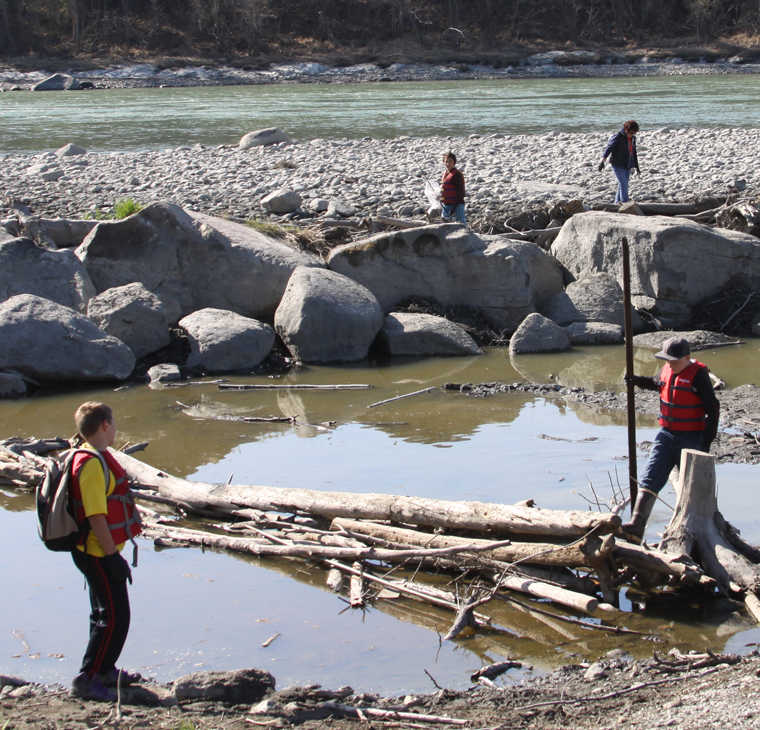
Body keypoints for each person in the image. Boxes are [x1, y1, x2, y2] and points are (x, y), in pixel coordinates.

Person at [69, 402, 143, 701]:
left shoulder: (93, 457)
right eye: (113, 423)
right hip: (97, 552)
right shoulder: (91, 465)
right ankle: (87, 678)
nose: (115, 428)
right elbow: (96, 516)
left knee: (103, 613)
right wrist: (113, 557)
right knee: (114, 617)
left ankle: (105, 670)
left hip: (97, 550)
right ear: (103, 426)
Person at [622, 337, 719, 543]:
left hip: (691, 437)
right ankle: (636, 525)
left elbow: (713, 409)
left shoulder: (698, 375)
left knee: (692, 487)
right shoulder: (667, 370)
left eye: (674, 360)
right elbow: (656, 383)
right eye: (667, 360)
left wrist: (705, 444)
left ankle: (696, 533)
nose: (670, 364)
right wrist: (636, 380)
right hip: (666, 434)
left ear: (687, 358)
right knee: (651, 475)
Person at [599, 120, 640, 204]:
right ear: (626, 130)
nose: (632, 134)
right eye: (631, 132)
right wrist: (603, 161)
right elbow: (609, 148)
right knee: (624, 184)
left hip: (627, 164)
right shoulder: (617, 137)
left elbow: (634, 153)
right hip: (617, 164)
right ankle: (625, 203)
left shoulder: (633, 139)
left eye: (634, 133)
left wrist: (637, 167)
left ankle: (616, 203)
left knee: (622, 184)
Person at [440, 151, 466, 225]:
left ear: (454, 162)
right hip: (446, 204)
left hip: (457, 204)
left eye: (450, 161)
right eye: (446, 161)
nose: (448, 164)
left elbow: (461, 192)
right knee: (445, 223)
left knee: (461, 223)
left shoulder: (457, 174)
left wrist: (455, 206)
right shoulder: (445, 174)